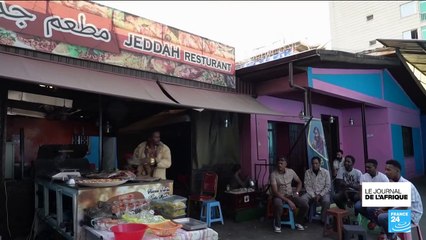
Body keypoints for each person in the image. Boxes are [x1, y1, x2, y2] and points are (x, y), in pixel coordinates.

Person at [375, 160, 423, 240]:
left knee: (382, 217)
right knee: (376, 211)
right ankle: (390, 235)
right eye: (385, 169)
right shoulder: (393, 183)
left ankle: (393, 238)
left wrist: (386, 212)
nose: (386, 172)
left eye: (388, 170)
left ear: (397, 171)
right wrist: (382, 209)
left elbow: (404, 208)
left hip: (411, 215)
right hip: (402, 210)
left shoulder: (406, 185)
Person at [270, 157, 309, 232]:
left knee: (305, 205)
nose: (279, 165)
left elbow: (299, 182)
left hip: (291, 195)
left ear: (285, 164)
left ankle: (298, 222)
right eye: (278, 163)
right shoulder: (273, 174)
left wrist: (297, 192)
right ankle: (277, 224)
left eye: (281, 163)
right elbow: (275, 191)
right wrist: (288, 201)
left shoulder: (291, 171)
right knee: (278, 204)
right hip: (279, 196)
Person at [353, 159, 389, 229]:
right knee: (357, 206)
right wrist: (363, 201)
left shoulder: (383, 178)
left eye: (369, 167)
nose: (367, 169)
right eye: (366, 167)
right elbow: (361, 191)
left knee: (370, 208)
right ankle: (373, 219)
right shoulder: (364, 176)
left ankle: (377, 221)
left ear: (375, 167)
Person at [301, 156, 331, 223]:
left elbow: (328, 186)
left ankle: (323, 219)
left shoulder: (326, 172)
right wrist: (314, 195)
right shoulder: (307, 172)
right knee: (303, 199)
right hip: (311, 193)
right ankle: (304, 217)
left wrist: (320, 195)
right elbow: (307, 186)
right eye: (313, 163)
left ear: (320, 164)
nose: (314, 165)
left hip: (323, 193)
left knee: (326, 201)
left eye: (316, 163)